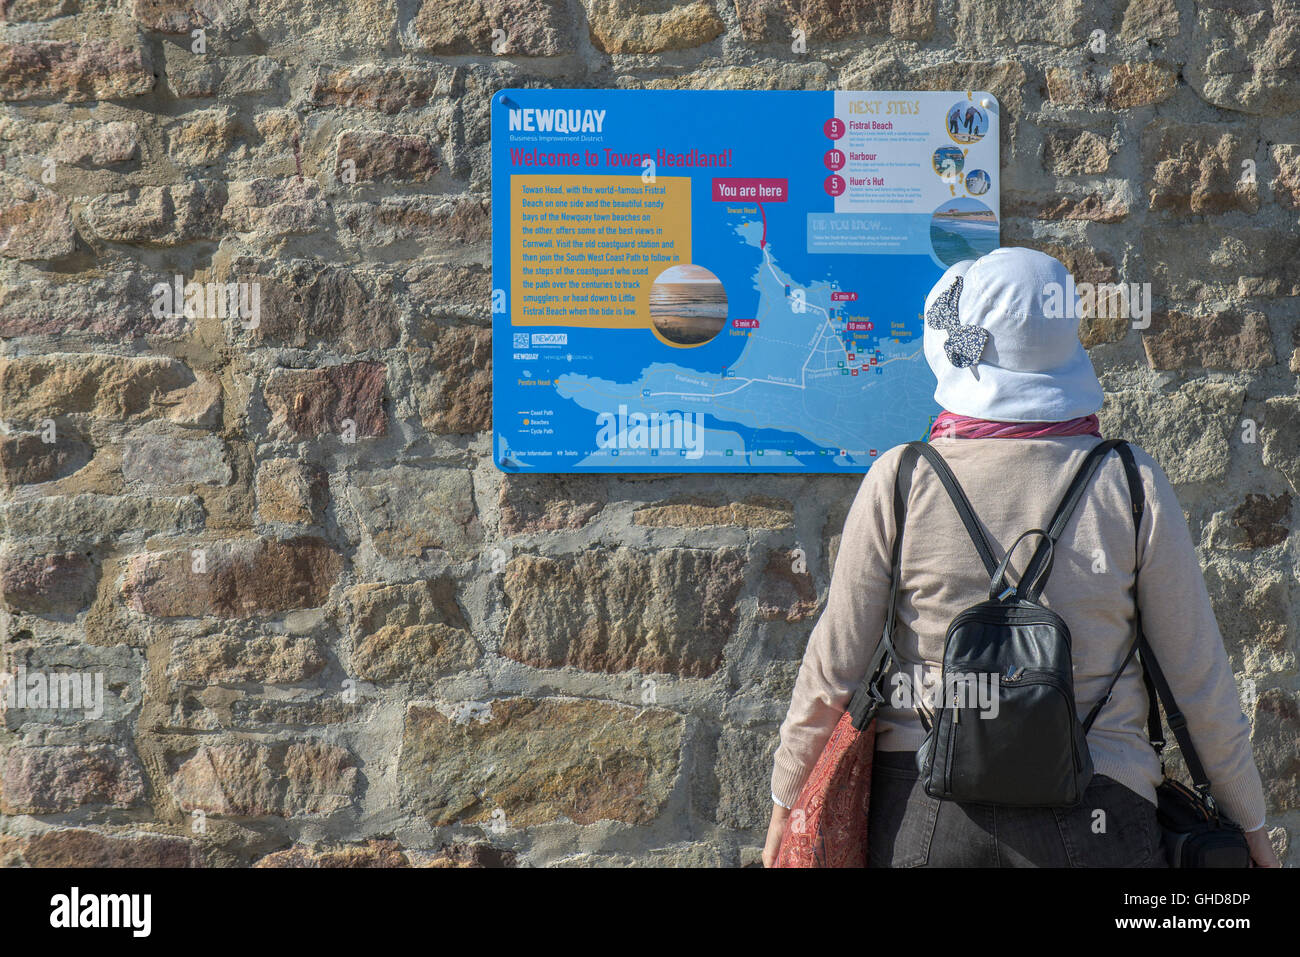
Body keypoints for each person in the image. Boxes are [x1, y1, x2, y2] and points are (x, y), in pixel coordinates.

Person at [763, 247, 1278, 868]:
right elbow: (1198, 680)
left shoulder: (901, 479)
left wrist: (786, 803)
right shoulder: (1129, 482)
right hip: (1099, 807)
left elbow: (833, 668)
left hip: (929, 808)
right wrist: (1250, 822)